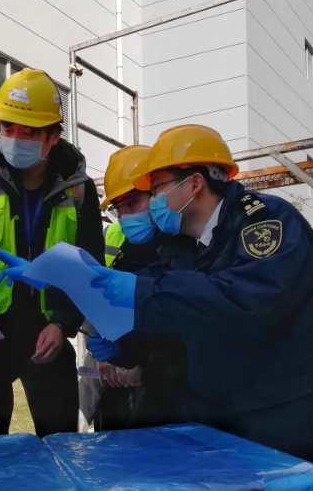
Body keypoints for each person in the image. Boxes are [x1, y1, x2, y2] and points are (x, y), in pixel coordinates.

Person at [51, 124, 313, 489]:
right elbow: (183, 320)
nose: (154, 200)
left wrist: (140, 292)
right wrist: (121, 341)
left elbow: (243, 303)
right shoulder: (194, 245)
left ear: (194, 184)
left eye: (158, 187)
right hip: (269, 426)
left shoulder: (265, 222)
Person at [0, 68, 104, 437]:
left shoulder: (79, 190)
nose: (15, 138)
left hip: (47, 334)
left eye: (29, 132)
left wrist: (63, 324)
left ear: (53, 137)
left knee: (61, 443)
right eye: (8, 127)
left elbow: (89, 265)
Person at [87, 145, 187, 431]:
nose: (125, 216)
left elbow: (184, 334)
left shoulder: (185, 250)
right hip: (122, 394)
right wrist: (113, 354)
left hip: (170, 407)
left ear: (157, 194)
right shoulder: (130, 250)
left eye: (132, 203)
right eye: (119, 208)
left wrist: (144, 368)